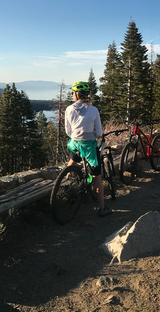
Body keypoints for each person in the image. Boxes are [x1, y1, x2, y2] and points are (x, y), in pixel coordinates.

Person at [64, 81, 111, 217]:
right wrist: (92, 135)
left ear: (77, 94)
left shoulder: (69, 109)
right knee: (97, 176)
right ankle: (102, 208)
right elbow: (99, 133)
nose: (72, 94)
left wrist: (76, 136)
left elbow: (68, 131)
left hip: (75, 143)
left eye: (73, 92)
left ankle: (65, 178)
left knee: (73, 160)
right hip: (89, 145)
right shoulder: (93, 109)